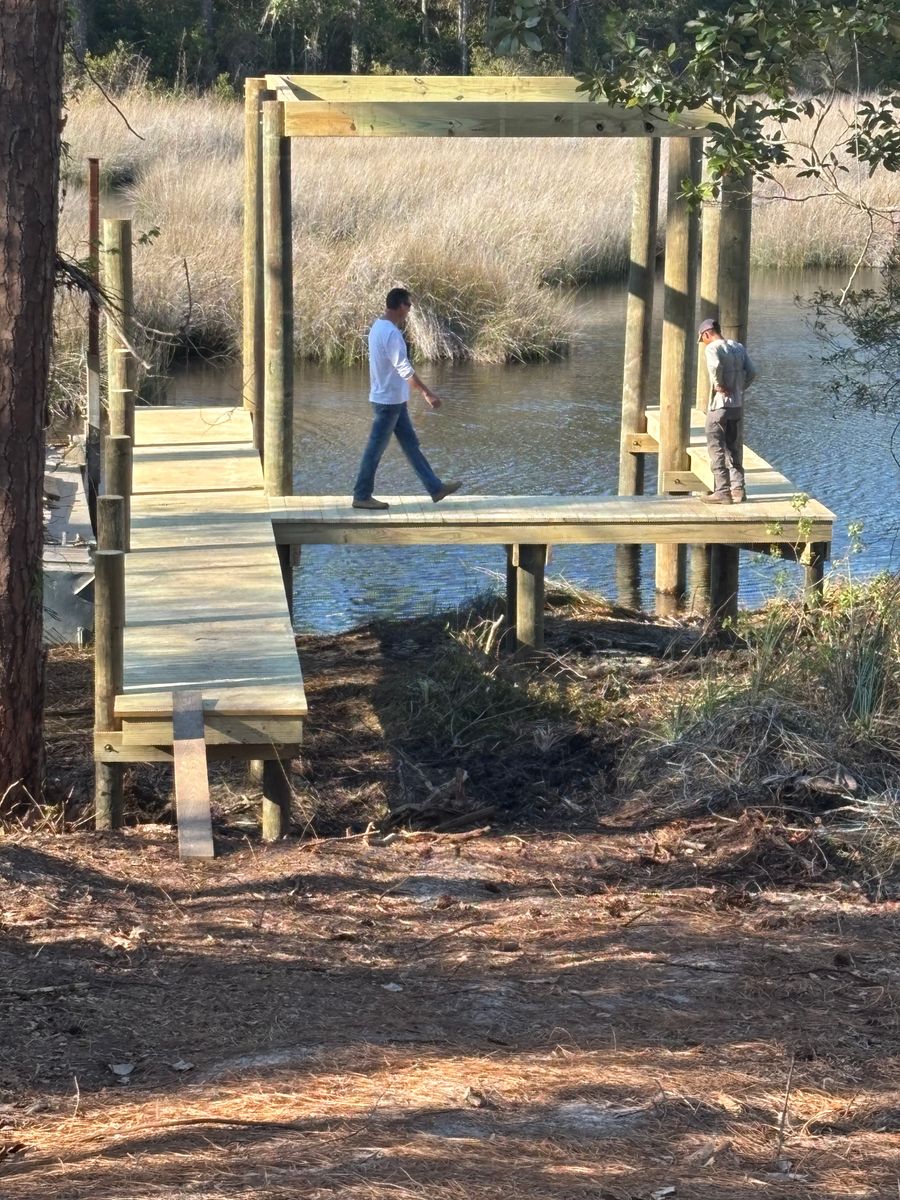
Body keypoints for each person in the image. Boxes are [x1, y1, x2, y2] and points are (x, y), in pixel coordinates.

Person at [352, 288, 461, 510]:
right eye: (409, 305)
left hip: (392, 401)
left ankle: (435, 488)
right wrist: (426, 393)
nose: (410, 310)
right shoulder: (391, 334)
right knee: (374, 449)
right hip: (388, 403)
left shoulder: (377, 327)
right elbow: (404, 369)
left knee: (411, 445)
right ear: (401, 306)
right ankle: (361, 495)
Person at [697, 317, 757, 504]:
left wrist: (719, 385)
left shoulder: (712, 348)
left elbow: (715, 366)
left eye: (702, 339)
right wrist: (740, 387)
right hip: (736, 407)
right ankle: (738, 489)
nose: (703, 343)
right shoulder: (738, 347)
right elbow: (753, 372)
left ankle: (722, 492)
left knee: (716, 448)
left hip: (719, 407)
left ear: (706, 334)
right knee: (734, 448)